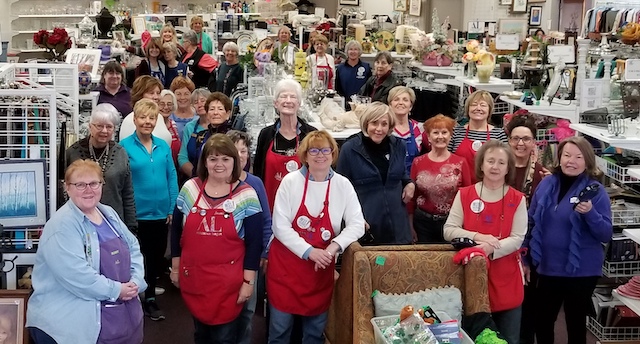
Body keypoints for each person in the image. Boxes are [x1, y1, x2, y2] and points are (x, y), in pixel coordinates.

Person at [27, 159, 146, 344]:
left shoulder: (108, 213)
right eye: (80, 185)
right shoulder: (61, 226)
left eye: (93, 183)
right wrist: (117, 290)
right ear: (67, 188)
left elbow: (133, 248)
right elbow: (77, 276)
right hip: (69, 326)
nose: (88, 190)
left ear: (102, 184)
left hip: (117, 315)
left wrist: (136, 280)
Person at [268, 130, 364, 344]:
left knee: (314, 334)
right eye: (314, 150)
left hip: (319, 272)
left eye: (325, 150)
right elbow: (280, 226)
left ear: (332, 153)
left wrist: (333, 248)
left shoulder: (342, 185)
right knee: (279, 332)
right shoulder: (290, 182)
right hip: (286, 270)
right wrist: (309, 251)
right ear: (305, 155)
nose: (320, 155)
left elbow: (357, 224)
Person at [170, 134, 263, 343]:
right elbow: (176, 231)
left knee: (224, 337)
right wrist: (175, 268)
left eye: (225, 159)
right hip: (195, 279)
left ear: (234, 161)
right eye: (213, 159)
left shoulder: (246, 195)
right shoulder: (190, 189)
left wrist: (248, 282)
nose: (219, 164)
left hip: (229, 285)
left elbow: (254, 243)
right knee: (200, 334)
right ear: (204, 162)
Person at [524, 136, 612, 344]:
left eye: (578, 157)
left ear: (588, 161)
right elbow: (531, 221)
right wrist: (525, 257)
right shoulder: (546, 184)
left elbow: (605, 234)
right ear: (559, 158)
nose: (571, 161)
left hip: (581, 271)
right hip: (547, 267)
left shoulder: (596, 192)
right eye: (567, 155)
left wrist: (590, 213)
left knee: (575, 324)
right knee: (543, 321)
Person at [443, 140, 527, 344]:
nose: (495, 167)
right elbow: (449, 230)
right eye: (490, 161)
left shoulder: (518, 199)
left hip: (506, 278)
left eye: (501, 162)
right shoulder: (464, 194)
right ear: (481, 165)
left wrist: (489, 249)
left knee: (509, 339)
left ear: (508, 168)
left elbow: (517, 239)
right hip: (470, 277)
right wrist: (479, 238)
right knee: (475, 338)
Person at [120, 99, 178, 322]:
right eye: (143, 117)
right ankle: (136, 299)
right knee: (137, 259)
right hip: (136, 215)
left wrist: (172, 206)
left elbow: (171, 176)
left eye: (151, 118)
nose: (147, 121)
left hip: (161, 213)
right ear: (134, 120)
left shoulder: (163, 145)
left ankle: (151, 297)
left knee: (155, 258)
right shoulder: (124, 146)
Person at [336, 102, 414, 245]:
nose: (379, 129)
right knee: (377, 264)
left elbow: (401, 173)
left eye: (384, 124)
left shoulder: (399, 146)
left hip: (398, 227)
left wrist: (409, 183)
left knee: (399, 265)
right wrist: (352, 219)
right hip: (368, 226)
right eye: (374, 123)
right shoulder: (350, 149)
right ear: (366, 123)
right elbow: (340, 190)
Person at [226, 130, 273, 344]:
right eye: (235, 150)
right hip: (224, 259)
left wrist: (264, 252)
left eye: (243, 150)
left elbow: (266, 221)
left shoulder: (256, 183)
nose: (240, 155)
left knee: (247, 310)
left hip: (249, 259)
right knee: (224, 309)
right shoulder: (214, 182)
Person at [505, 116, 546, 344]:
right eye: (516, 138)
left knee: (529, 304)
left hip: (530, 246)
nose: (521, 143)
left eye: (526, 139)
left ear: (534, 142)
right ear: (509, 140)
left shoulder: (543, 176)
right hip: (502, 241)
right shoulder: (500, 168)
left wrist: (527, 256)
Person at [66, 103, 137, 230]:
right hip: (80, 222)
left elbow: (127, 193)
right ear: (90, 126)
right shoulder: (73, 153)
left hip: (113, 221)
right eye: (99, 126)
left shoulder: (121, 153)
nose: (104, 131)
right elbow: (64, 191)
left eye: (109, 127)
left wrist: (131, 226)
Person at [254, 79, 317, 210]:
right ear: (275, 103)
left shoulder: (311, 134)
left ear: (299, 103)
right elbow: (258, 172)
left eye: (293, 97)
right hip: (270, 203)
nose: (288, 100)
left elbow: (319, 171)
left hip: (305, 205)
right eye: (283, 96)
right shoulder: (266, 135)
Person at [408, 114, 471, 244]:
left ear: (450, 136)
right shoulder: (418, 162)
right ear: (429, 137)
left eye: (444, 132)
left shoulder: (461, 162)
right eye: (435, 132)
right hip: (422, 223)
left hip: (452, 223)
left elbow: (467, 197)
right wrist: (410, 225)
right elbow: (411, 198)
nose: (440, 136)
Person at [449, 90, 508, 182]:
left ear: (489, 110)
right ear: (468, 109)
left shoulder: (498, 134)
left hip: (488, 188)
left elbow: (505, 163)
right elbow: (447, 160)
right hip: (459, 187)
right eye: (474, 104)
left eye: (483, 105)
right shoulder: (456, 132)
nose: (478, 108)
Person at [183, 92, 236, 177]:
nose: (215, 112)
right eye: (212, 109)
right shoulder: (201, 136)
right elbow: (197, 167)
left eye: (220, 109)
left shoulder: (234, 137)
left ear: (228, 114)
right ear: (207, 114)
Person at [119, 75, 172, 146]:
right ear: (140, 95)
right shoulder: (130, 120)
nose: (156, 97)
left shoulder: (159, 117)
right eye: (151, 93)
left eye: (158, 93)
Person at [388, 86, 422, 174]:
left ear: (410, 106)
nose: (400, 103)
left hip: (413, 180)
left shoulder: (419, 128)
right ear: (390, 105)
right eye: (396, 99)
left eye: (405, 100)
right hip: (390, 181)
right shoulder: (385, 129)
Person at [178, 88, 211, 177]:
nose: (199, 105)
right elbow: (182, 157)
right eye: (196, 102)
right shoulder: (190, 127)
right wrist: (196, 176)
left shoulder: (218, 126)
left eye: (203, 101)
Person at [335, 40, 371, 105]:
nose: (353, 52)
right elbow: (337, 88)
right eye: (350, 49)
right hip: (345, 105)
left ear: (359, 52)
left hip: (362, 105)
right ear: (347, 51)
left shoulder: (366, 67)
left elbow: (369, 87)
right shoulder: (340, 68)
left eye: (355, 49)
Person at [159, 89, 181, 165]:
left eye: (169, 104)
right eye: (162, 104)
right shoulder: (153, 126)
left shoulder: (173, 124)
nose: (166, 107)